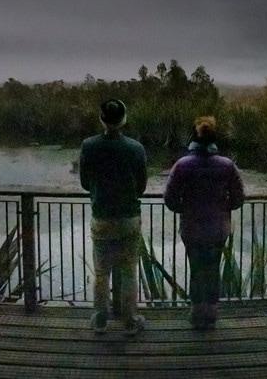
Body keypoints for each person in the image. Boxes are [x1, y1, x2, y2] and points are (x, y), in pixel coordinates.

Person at [163, 116, 245, 329]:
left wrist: (185, 209)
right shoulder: (227, 165)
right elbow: (238, 198)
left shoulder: (182, 165)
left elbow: (170, 198)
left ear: (194, 137)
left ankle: (197, 312)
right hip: (218, 228)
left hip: (192, 228)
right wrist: (223, 208)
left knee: (197, 269)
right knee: (213, 269)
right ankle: (211, 313)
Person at [78, 98, 148, 335]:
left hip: (102, 217)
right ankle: (130, 321)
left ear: (102, 119)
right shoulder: (136, 148)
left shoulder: (89, 146)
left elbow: (85, 183)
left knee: (101, 272)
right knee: (129, 270)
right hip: (129, 217)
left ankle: (100, 320)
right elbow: (142, 186)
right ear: (124, 119)